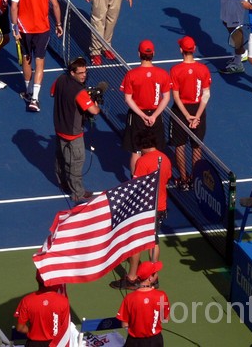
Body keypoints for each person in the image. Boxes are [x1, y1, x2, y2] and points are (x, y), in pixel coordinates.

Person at [111, 129, 172, 290]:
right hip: (161, 207)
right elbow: (166, 180)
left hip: (145, 209)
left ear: (143, 145)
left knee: (136, 242)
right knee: (153, 240)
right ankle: (153, 275)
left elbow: (136, 187)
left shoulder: (143, 162)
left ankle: (131, 278)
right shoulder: (165, 158)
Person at [11, 0, 63, 112]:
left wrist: (15, 27)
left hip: (24, 29)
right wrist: (59, 24)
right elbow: (55, 4)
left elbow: (14, 7)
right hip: (43, 29)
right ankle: (35, 99)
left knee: (27, 60)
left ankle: (28, 92)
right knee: (39, 62)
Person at [50, 57, 99, 203]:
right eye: (80, 73)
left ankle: (63, 183)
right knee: (76, 162)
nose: (84, 75)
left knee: (61, 157)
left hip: (59, 127)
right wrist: (95, 102)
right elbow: (94, 110)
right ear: (72, 73)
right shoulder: (79, 91)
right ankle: (77, 193)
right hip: (73, 133)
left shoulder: (60, 79)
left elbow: (52, 93)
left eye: (85, 72)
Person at [120, 40, 171, 173]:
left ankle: (135, 181)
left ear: (139, 54)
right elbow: (166, 97)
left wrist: (142, 116)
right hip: (156, 116)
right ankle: (156, 180)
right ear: (153, 53)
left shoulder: (131, 74)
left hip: (137, 117)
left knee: (136, 151)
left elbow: (128, 99)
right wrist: (153, 116)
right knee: (156, 151)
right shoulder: (162, 74)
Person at [169, 36, 211, 190]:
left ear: (181, 50)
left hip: (180, 112)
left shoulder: (175, 70)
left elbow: (176, 96)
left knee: (179, 145)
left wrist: (186, 116)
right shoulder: (203, 69)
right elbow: (206, 95)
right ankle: (195, 178)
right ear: (193, 49)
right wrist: (197, 116)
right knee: (196, 147)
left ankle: (184, 179)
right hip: (198, 110)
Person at [116, 261, 170, 346]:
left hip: (134, 341)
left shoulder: (129, 298)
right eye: (155, 273)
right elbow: (165, 319)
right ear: (150, 278)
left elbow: (124, 324)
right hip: (155, 341)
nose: (157, 274)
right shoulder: (161, 296)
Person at [14, 271, 70, 347]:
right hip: (55, 343)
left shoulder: (27, 300)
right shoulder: (63, 301)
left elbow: (20, 328)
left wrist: (33, 332)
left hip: (33, 344)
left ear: (37, 279)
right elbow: (64, 327)